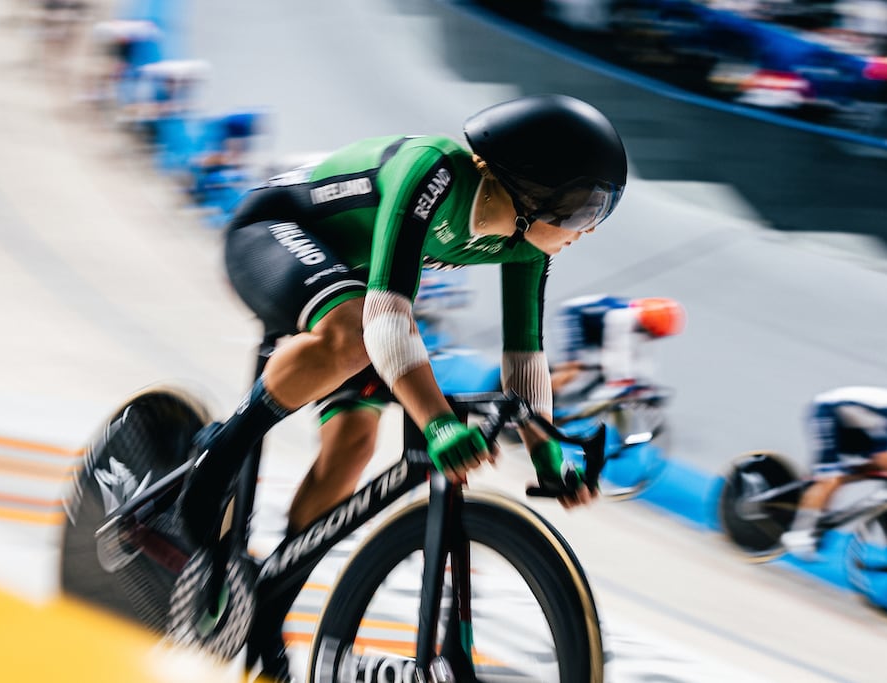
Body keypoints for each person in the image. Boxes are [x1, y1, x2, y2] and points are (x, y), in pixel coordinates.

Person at [175, 93, 628, 679]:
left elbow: (524, 358)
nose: (584, 230)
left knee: (352, 449)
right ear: (529, 187)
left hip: (358, 286)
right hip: (274, 230)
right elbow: (388, 319)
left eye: (598, 214)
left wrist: (548, 454)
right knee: (357, 333)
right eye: (578, 210)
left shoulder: (525, 243)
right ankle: (221, 451)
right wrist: (438, 423)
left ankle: (271, 601)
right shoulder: (433, 172)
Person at [781, 379, 887, 560]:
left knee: (881, 468)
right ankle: (798, 534)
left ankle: (825, 489)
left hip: (854, 423)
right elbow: (885, 453)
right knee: (831, 477)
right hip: (828, 414)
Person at [550, 293, 686, 400]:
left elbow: (642, 356)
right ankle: (538, 401)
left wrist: (646, 382)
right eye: (650, 334)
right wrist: (620, 380)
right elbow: (615, 348)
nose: (649, 337)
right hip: (573, 316)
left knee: (604, 369)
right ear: (648, 325)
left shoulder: (642, 322)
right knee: (573, 368)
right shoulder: (622, 317)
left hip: (596, 326)